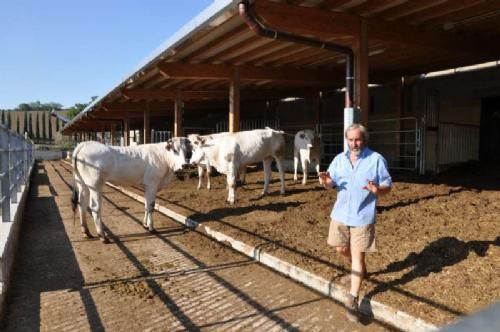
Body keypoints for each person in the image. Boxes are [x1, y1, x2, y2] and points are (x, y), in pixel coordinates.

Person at [318, 123, 392, 322]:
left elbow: (387, 185)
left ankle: (353, 299)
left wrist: (378, 191)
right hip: (341, 214)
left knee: (358, 257)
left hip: (362, 216)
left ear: (364, 139)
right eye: (350, 140)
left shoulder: (376, 160)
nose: (354, 143)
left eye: (357, 139)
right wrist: (326, 182)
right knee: (340, 248)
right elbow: (330, 183)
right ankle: (359, 270)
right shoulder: (339, 159)